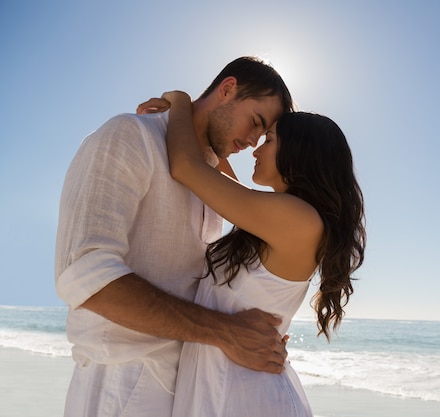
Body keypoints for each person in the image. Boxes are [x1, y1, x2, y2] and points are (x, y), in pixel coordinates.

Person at [54, 57, 293, 417]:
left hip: (188, 387)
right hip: (122, 385)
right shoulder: (130, 135)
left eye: (264, 135)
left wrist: (256, 335)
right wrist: (228, 332)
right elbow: (86, 276)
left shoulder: (210, 181)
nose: (252, 141)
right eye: (255, 122)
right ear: (227, 89)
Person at [156, 91, 366, 417]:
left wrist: (181, 101)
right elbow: (220, 174)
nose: (256, 147)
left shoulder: (299, 219)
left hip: (246, 396)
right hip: (229, 388)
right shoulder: (283, 216)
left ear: (298, 153)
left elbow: (186, 166)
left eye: (268, 139)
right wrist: (199, 124)